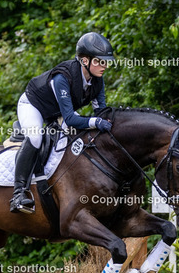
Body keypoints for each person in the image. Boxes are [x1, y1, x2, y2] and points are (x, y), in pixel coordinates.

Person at [10, 32, 115, 213]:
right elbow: (71, 119)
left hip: (57, 112)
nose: (104, 66)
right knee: (35, 137)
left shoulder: (97, 81)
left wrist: (109, 120)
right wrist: (96, 122)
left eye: (106, 62)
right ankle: (18, 193)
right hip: (33, 105)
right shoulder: (63, 78)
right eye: (99, 61)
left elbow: (101, 112)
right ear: (84, 60)